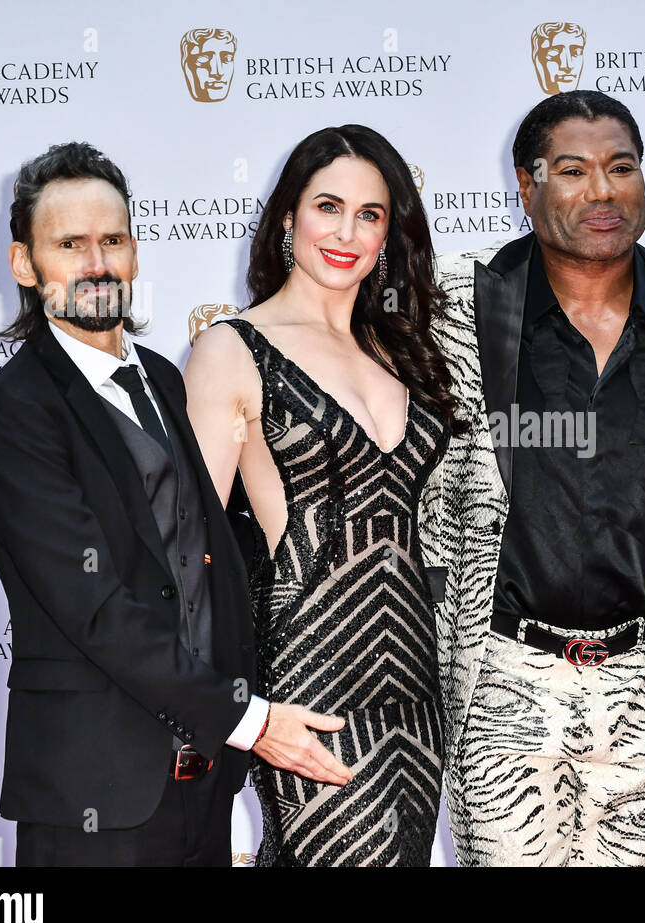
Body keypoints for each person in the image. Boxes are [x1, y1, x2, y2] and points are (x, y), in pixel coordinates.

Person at [0, 142, 346, 866]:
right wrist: (249, 718)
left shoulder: (167, 381)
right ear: (25, 265)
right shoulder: (14, 410)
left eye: (111, 240)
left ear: (135, 251)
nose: (97, 264)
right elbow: (94, 608)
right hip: (94, 799)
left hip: (202, 786)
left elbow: (209, 557)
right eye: (69, 245)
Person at [420, 90, 645, 866]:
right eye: (571, 170)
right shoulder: (443, 308)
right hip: (502, 682)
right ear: (526, 184)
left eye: (622, 168)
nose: (602, 191)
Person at [185, 125, 461, 866]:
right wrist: (242, 711)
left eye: (370, 214)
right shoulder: (231, 348)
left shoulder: (400, 349)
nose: (347, 232)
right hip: (311, 672)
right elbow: (190, 551)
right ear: (287, 217)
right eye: (327, 207)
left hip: (412, 684)